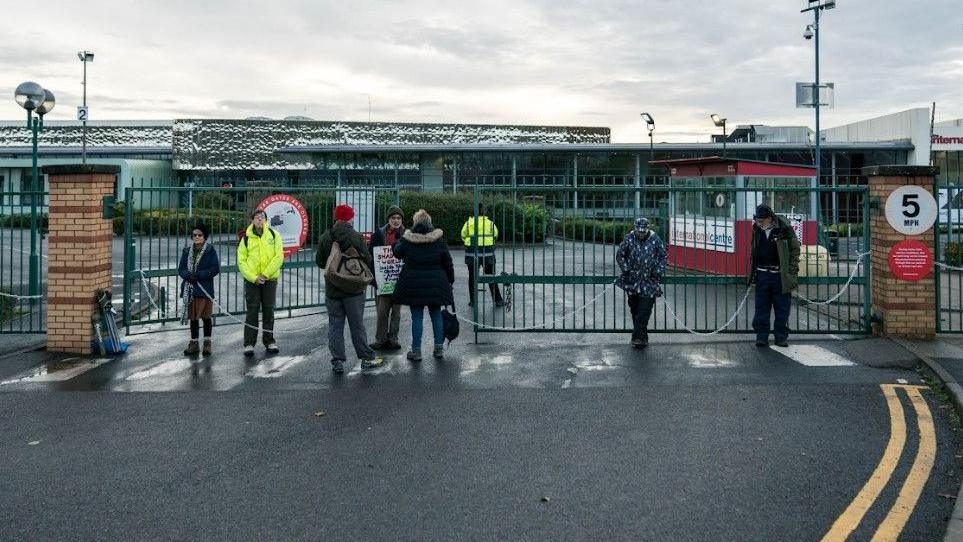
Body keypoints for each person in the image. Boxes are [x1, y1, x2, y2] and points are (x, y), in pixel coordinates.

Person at [316, 204, 384, 374]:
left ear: (335, 217)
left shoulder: (326, 236)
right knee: (357, 325)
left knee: (335, 326)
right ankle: (366, 358)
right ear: (351, 217)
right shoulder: (355, 236)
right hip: (353, 290)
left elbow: (319, 261)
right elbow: (367, 259)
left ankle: (337, 361)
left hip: (333, 288)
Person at [392, 209, 455, 362]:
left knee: (417, 317)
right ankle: (439, 348)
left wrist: (400, 239)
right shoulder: (438, 239)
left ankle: (416, 351)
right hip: (436, 283)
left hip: (414, 284)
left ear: (415, 222)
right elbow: (448, 261)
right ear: (429, 222)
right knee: (436, 315)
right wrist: (450, 280)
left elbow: (397, 253)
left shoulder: (408, 239)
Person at [747, 203, 801, 347]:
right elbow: (753, 249)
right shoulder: (757, 229)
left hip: (780, 275)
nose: (758, 223)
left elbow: (795, 249)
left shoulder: (784, 228)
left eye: (761, 221)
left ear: (770, 218)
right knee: (761, 307)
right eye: (757, 220)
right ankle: (762, 336)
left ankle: (781, 336)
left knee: (782, 307)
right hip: (762, 274)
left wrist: (792, 270)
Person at [237, 209, 284, 356]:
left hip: (269, 279)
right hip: (252, 281)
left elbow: (279, 257)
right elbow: (241, 261)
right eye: (256, 217)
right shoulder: (246, 238)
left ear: (266, 220)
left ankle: (269, 341)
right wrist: (253, 277)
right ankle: (249, 343)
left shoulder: (274, 235)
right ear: (252, 220)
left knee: (268, 310)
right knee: (252, 311)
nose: (259, 219)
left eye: (262, 217)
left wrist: (265, 274)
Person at [616, 217, 667, 348]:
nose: (641, 234)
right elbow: (620, 255)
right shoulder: (629, 238)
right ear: (635, 229)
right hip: (632, 281)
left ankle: (637, 337)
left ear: (647, 230)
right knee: (635, 310)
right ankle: (642, 337)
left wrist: (657, 271)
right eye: (639, 231)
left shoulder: (655, 239)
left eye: (643, 232)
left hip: (649, 282)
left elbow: (663, 256)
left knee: (644, 311)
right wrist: (626, 269)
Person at [177, 223, 221, 369]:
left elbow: (215, 268)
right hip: (190, 290)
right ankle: (194, 343)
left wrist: (200, 275)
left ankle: (207, 343)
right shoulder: (186, 251)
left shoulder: (210, 250)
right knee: (193, 318)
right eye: (194, 235)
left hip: (205, 289)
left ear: (204, 236)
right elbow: (181, 269)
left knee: (206, 317)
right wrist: (188, 276)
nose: (196, 237)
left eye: (199, 235)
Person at [369, 205, 406, 352]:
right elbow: (371, 255)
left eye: (398, 218)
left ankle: (393, 339)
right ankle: (380, 340)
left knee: (396, 313)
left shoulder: (406, 234)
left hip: (398, 280)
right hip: (382, 280)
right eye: (393, 218)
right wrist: (375, 278)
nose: (396, 221)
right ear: (388, 219)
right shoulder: (378, 234)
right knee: (382, 312)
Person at [460, 203, 504, 307]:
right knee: (490, 276)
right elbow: (495, 235)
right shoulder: (490, 223)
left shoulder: (468, 223)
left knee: (472, 277)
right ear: (483, 212)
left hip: (472, 255)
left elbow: (463, 236)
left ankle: (473, 301)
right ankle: (498, 300)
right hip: (487, 254)